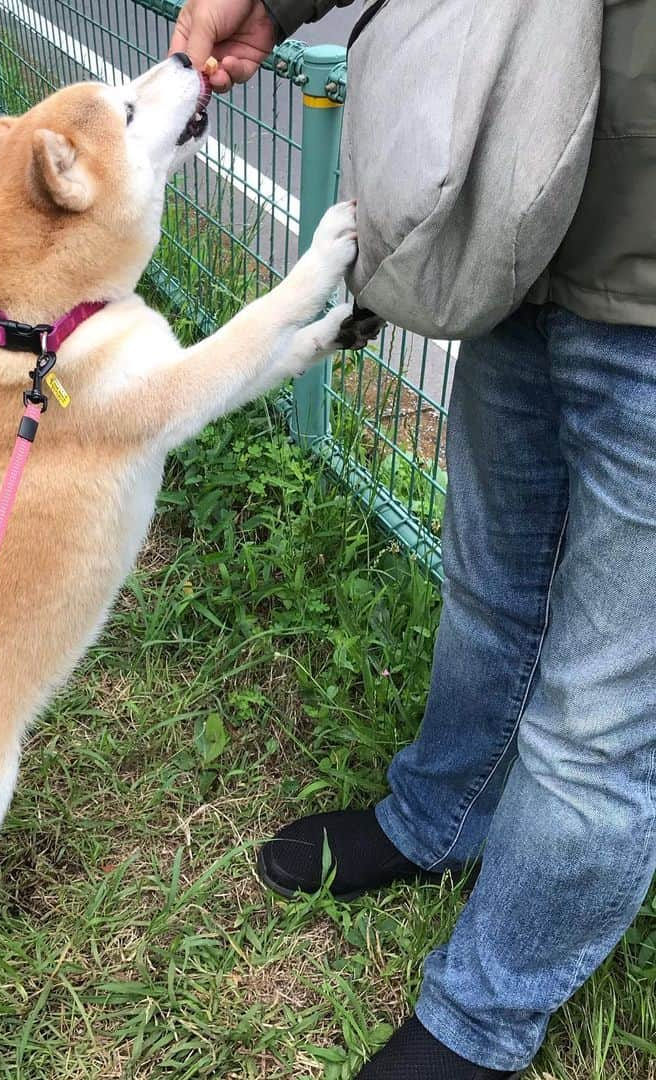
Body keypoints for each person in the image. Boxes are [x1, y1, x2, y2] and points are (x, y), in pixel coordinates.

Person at [171, 1, 656, 1077]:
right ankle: (442, 816)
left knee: (602, 722)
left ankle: (484, 1017)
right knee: (491, 592)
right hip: (521, 219)